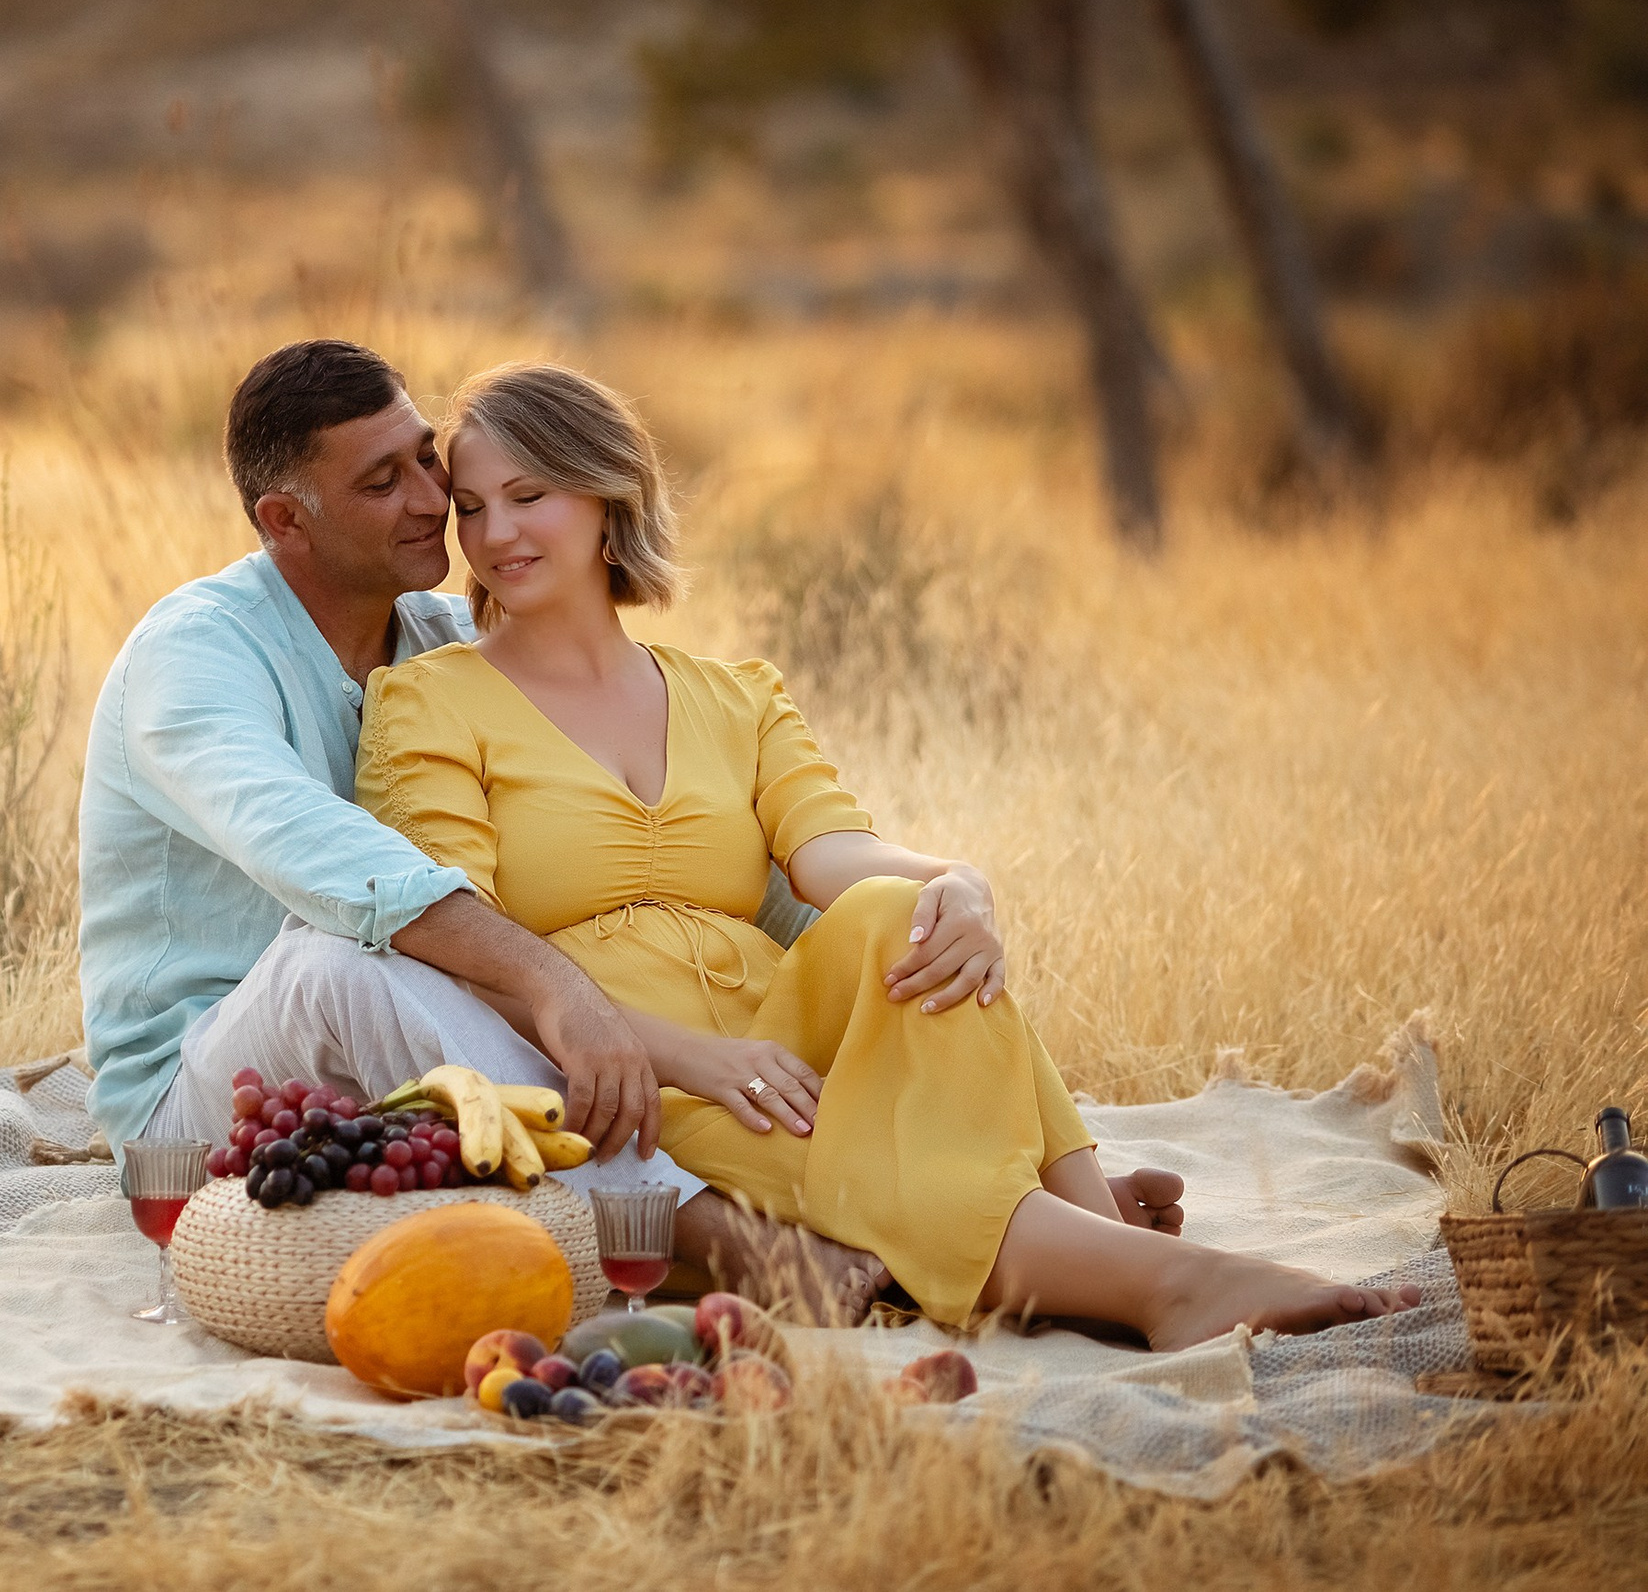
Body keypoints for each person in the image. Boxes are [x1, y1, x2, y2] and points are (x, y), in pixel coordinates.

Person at [356, 361, 1422, 1348]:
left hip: (793, 1040)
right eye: (471, 506)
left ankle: (1095, 1240)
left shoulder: (738, 695)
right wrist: (701, 1061)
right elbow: (472, 955)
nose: (494, 534)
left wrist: (960, 886)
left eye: (529, 494)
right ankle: (1152, 1274)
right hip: (631, 1072)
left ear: (606, 498)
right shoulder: (428, 702)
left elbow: (835, 857)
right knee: (885, 1163)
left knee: (899, 920)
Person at [80, 339, 890, 1319]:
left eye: (426, 457)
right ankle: (701, 1233)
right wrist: (558, 989)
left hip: (422, 1074)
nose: (436, 500)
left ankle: (945, 1196)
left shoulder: (446, 643)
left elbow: (668, 850)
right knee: (339, 960)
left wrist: (858, 940)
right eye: (384, 481)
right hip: (206, 1099)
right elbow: (319, 853)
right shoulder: (194, 656)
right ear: (286, 521)